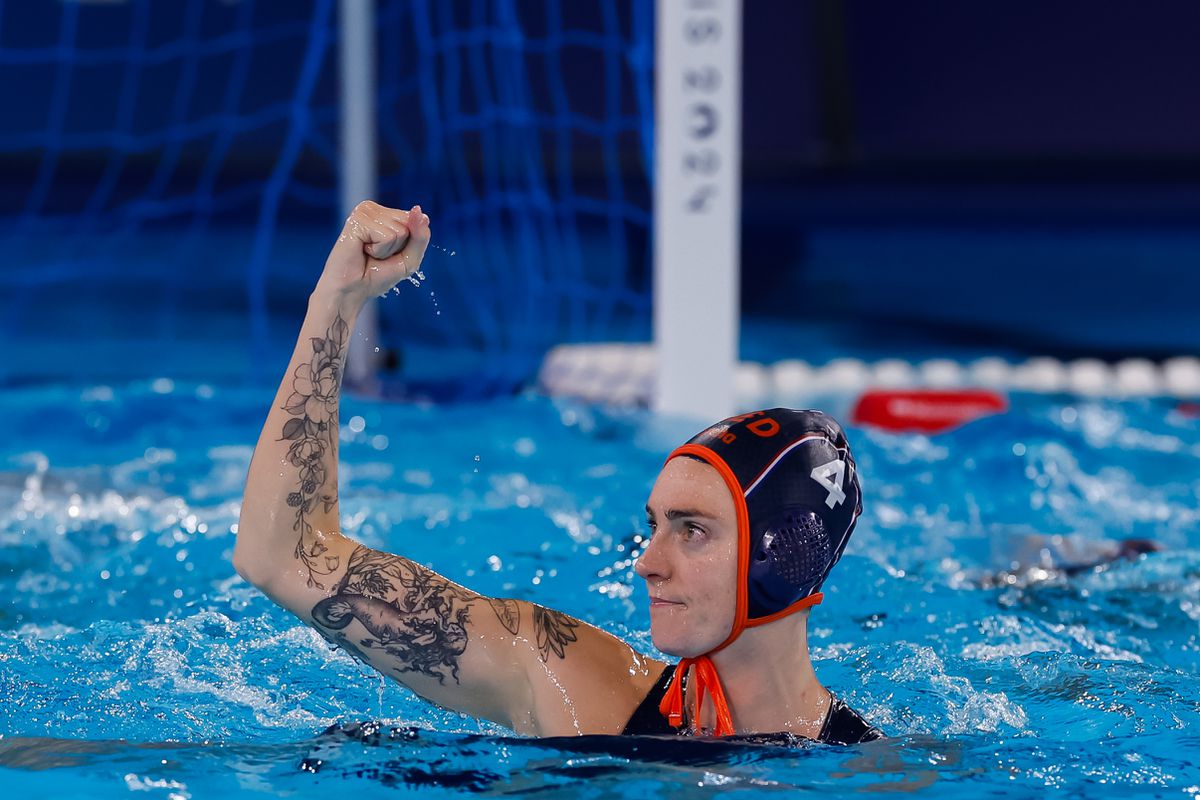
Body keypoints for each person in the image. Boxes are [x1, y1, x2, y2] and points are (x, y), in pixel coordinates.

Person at [234, 201, 882, 745]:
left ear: (782, 555)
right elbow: (284, 555)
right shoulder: (564, 675)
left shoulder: (876, 777)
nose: (647, 564)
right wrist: (336, 300)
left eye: (693, 531)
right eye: (654, 525)